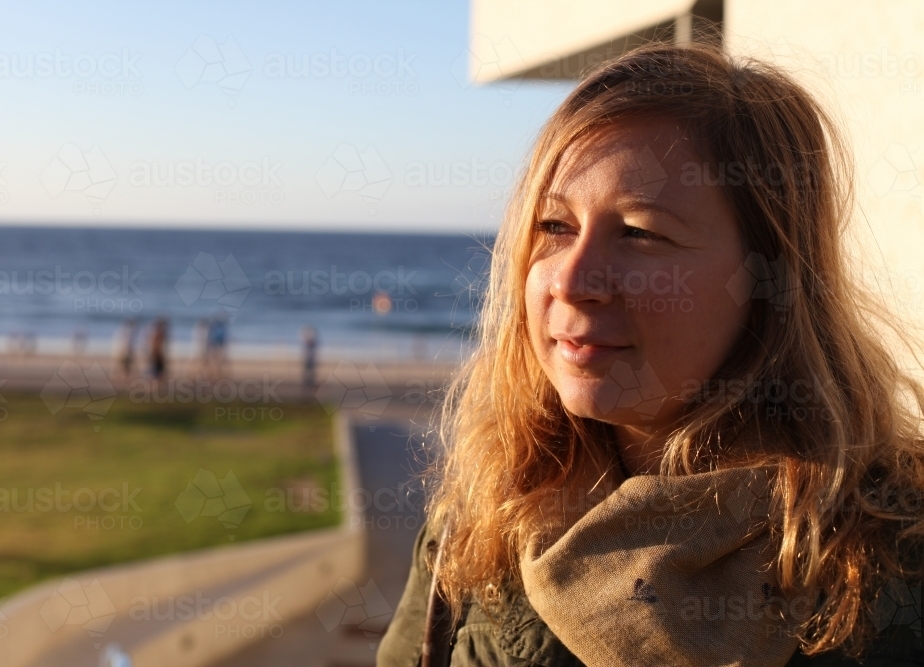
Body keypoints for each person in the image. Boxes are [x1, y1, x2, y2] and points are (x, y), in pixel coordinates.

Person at [377, 41, 924, 667]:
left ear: (768, 278)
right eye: (555, 227)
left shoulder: (890, 563)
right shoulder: (484, 518)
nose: (571, 279)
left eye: (639, 233)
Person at [148, 317, 168, 381]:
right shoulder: (158, 334)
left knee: (157, 370)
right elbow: (157, 345)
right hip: (157, 354)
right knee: (157, 370)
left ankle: (156, 383)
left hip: (157, 354)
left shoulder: (157, 333)